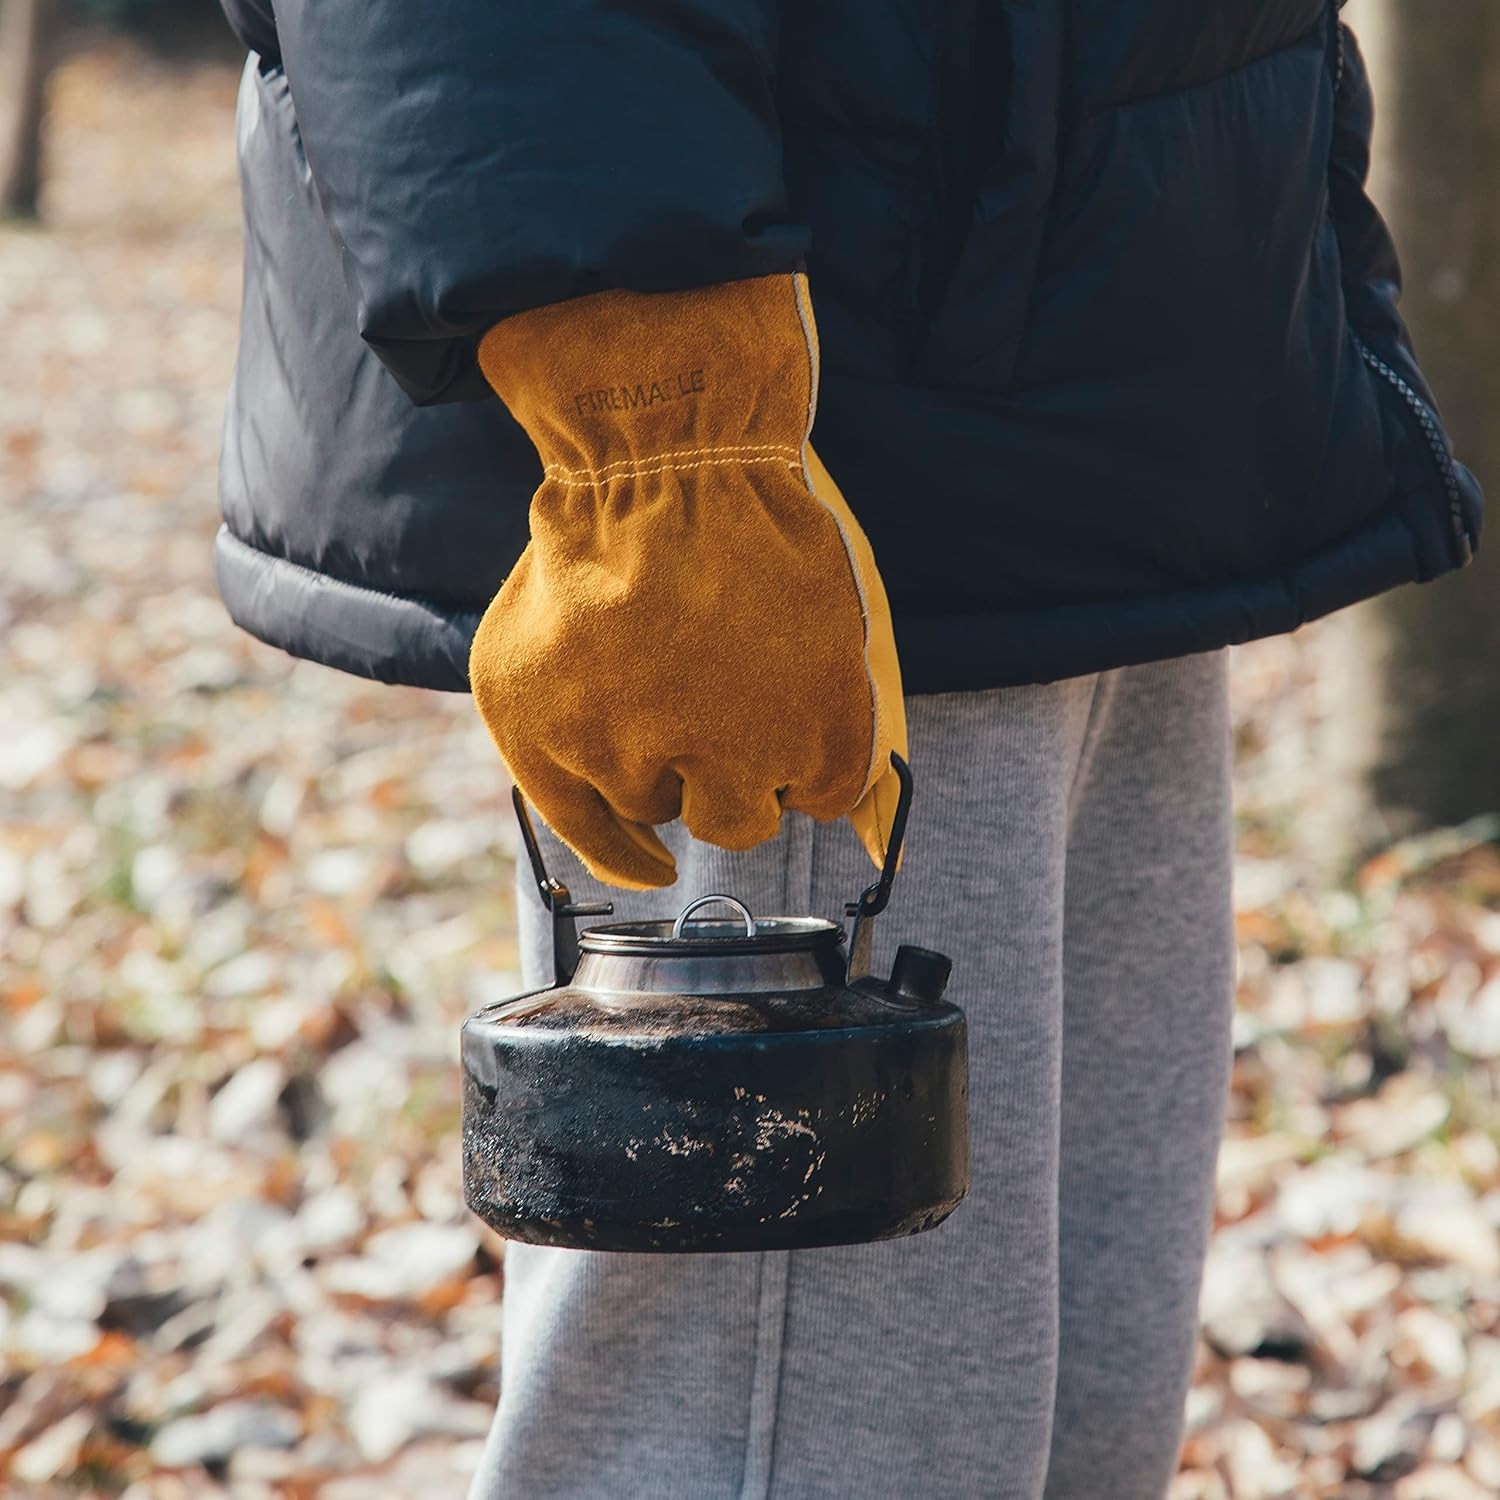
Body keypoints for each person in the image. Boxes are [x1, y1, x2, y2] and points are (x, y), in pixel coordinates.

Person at [210, 2, 1482, 1496]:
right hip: (807, 430)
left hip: (1121, 350)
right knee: (787, 1431)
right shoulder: (720, 459)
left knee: (1058, 1408)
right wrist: (660, 430)